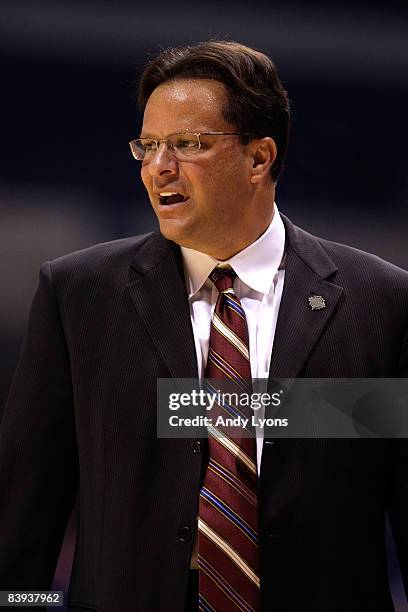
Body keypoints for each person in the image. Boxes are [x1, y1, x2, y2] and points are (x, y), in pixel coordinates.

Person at [0, 40, 407, 612]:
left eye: (188, 144)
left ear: (259, 158)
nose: (158, 166)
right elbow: (22, 527)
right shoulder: (78, 297)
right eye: (149, 145)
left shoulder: (382, 303)